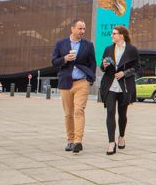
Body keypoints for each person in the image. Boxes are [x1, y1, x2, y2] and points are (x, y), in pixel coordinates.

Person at [51, 19, 96, 154]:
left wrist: (89, 79)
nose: (82, 31)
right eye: (80, 28)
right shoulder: (61, 44)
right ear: (72, 29)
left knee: (79, 111)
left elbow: (92, 63)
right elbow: (54, 61)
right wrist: (65, 59)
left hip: (82, 82)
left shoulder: (88, 45)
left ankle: (78, 141)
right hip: (65, 82)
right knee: (68, 114)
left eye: (84, 29)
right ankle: (70, 140)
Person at [100, 26, 140, 155]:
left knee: (122, 115)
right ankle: (111, 143)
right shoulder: (108, 49)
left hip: (125, 87)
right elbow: (102, 66)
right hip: (110, 85)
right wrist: (104, 65)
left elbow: (137, 67)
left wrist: (124, 72)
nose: (112, 36)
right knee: (110, 112)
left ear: (121, 35)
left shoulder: (131, 50)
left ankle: (121, 136)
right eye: (112, 34)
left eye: (114, 33)